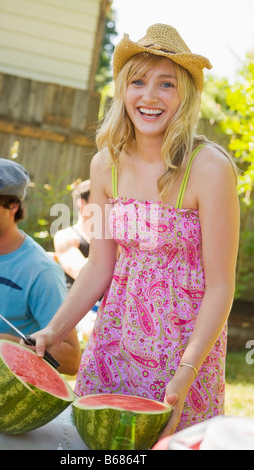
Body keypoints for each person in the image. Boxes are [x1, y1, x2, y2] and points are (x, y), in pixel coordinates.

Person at [31, 24, 240, 437]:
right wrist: (54, 330)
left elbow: (220, 286)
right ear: (123, 89)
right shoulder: (105, 164)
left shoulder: (209, 169)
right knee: (97, 443)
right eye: (138, 81)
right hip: (116, 338)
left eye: (166, 84)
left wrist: (185, 372)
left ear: (185, 96)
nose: (149, 96)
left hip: (184, 352)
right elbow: (99, 265)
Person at [0, 157, 81, 375]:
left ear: (13, 205)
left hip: (4, 390)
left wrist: (4, 342)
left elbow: (71, 360)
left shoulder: (41, 271)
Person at [54, 180, 91, 290]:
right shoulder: (65, 236)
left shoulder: (112, 238)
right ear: (81, 202)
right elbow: (79, 273)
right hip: (81, 303)